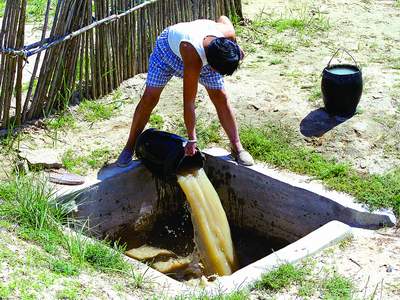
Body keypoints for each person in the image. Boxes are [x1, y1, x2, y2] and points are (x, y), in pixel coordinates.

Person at [117, 16, 254, 167]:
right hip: (167, 53)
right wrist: (192, 139)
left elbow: (223, 18)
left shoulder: (227, 35)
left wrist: (235, 47)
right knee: (150, 97)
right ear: (211, 64)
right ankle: (129, 147)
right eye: (219, 71)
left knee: (220, 97)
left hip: (202, 52)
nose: (219, 75)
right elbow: (189, 102)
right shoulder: (192, 54)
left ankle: (237, 147)